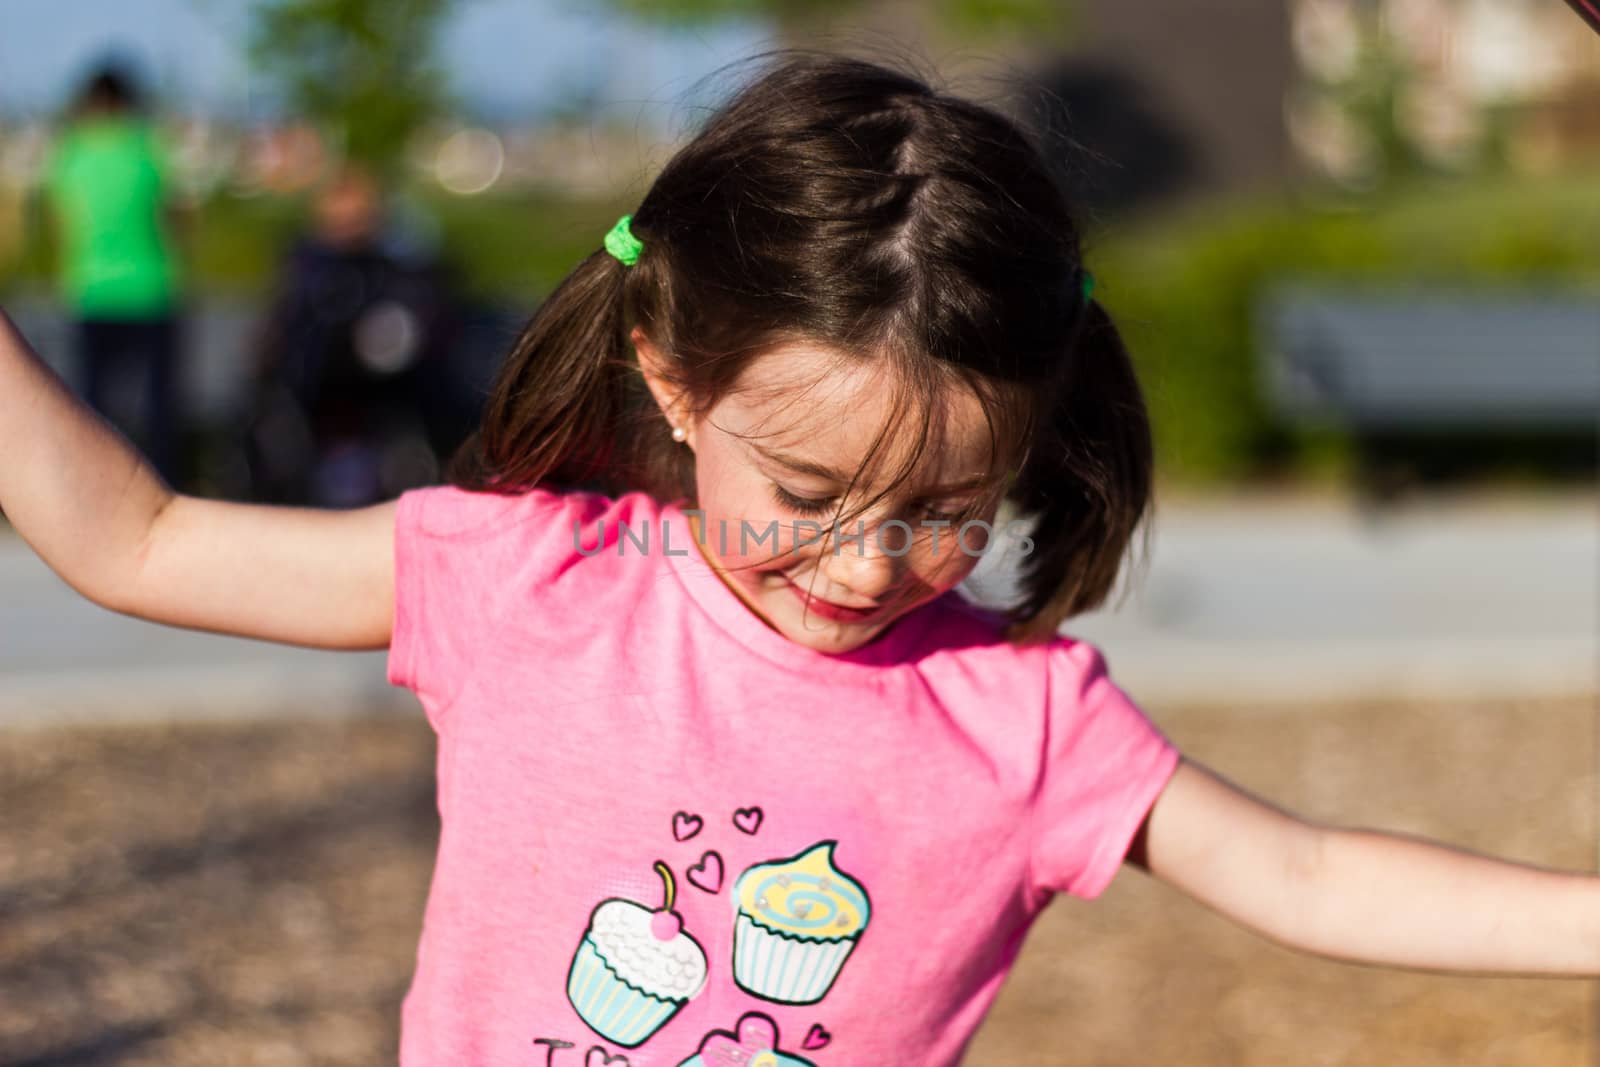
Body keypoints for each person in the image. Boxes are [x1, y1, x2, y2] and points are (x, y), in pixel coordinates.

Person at [0, 53, 1595, 1066]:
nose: (863, 559)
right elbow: (134, 536)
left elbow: (1306, 871)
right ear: (673, 377)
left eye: (943, 507)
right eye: (814, 485)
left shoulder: (1021, 717)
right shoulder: (526, 584)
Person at [40, 61, 186, 487]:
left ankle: (97, 492)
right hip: (152, 288)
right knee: (159, 411)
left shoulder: (71, 154)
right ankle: (162, 492)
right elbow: (171, 217)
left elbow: (61, 221)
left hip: (92, 290)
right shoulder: (146, 148)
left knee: (93, 409)